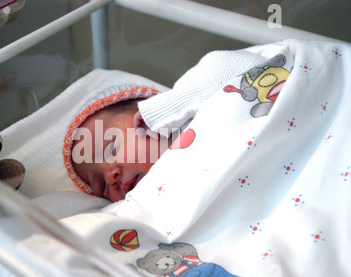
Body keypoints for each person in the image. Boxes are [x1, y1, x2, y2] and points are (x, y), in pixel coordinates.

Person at [63, 49, 268, 202]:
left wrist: (174, 104)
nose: (111, 175)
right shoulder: (149, 201)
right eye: (101, 186)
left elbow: (244, 67)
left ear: (147, 113)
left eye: (112, 148)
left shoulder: (195, 111)